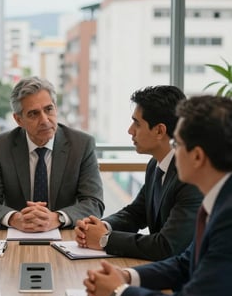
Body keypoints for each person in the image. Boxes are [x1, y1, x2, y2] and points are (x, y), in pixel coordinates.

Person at [83, 95, 232, 296]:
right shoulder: (218, 200)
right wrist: (127, 276)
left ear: (197, 157)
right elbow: (184, 263)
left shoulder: (227, 216)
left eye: (177, 143)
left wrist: (118, 293)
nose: (173, 150)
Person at [75, 86, 203, 260]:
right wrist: (102, 226)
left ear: (159, 131)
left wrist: (105, 239)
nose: (130, 130)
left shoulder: (190, 178)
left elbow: (166, 246)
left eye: (137, 123)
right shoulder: (155, 165)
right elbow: (136, 213)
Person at [0, 76, 104, 231]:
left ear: (56, 108)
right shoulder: (0, 147)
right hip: (17, 238)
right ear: (18, 120)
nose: (44, 120)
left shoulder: (81, 145)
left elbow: (94, 202)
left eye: (49, 109)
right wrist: (16, 218)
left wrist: (57, 218)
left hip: (66, 237)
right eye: (33, 114)